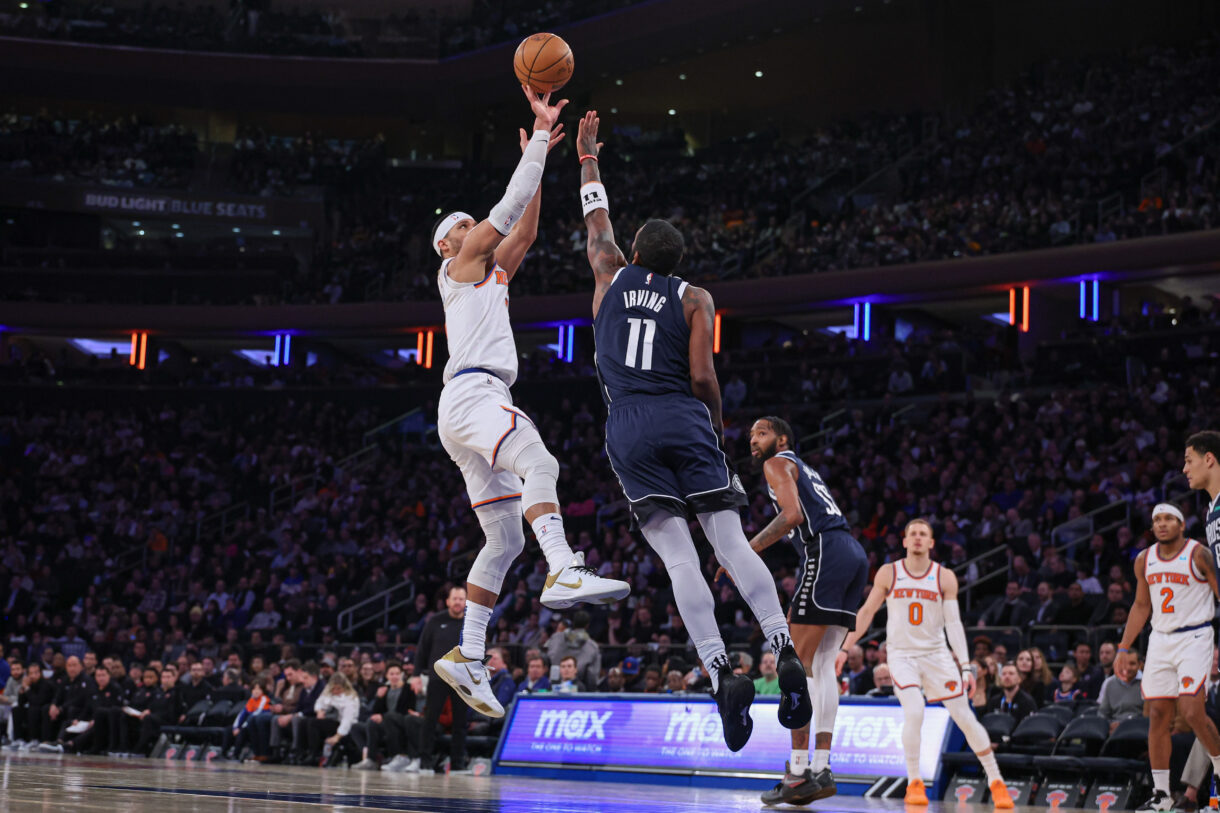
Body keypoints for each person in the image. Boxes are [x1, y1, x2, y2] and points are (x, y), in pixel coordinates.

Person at [577, 110, 810, 755]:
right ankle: (783, 648)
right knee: (730, 544)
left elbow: (597, 223)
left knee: (680, 559)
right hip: (683, 415)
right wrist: (714, 425)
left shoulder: (608, 273)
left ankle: (718, 671)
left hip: (627, 424)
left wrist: (589, 157)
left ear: (634, 253)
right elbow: (705, 376)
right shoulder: (694, 297)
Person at [431, 88, 631, 720]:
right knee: (539, 462)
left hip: (467, 404)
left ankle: (468, 653)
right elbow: (506, 209)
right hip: (474, 393)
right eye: (462, 226)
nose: (472, 228)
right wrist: (542, 136)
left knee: (502, 538)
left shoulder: (489, 272)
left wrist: (535, 166)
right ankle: (564, 566)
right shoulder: (460, 265)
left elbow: (526, 227)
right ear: (447, 247)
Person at [736, 416, 867, 805]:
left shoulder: (777, 463)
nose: (753, 440)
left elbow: (792, 515)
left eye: (761, 433)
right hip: (852, 553)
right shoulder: (804, 468)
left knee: (795, 665)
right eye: (750, 435)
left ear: (782, 439)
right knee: (822, 667)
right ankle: (821, 768)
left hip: (824, 549)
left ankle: (797, 772)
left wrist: (747, 549)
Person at [839, 519, 1014, 808]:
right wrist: (844, 648)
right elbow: (867, 611)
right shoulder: (889, 572)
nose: (918, 538)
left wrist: (965, 665)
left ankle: (997, 782)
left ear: (931, 543)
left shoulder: (944, 577)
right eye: (913, 534)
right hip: (902, 655)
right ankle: (914, 782)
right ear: (905, 541)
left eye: (923, 534)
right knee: (915, 711)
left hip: (936, 655)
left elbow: (953, 623)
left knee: (965, 717)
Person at [1118, 503, 1220, 812]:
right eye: (1157, 520)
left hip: (1195, 635)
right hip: (1160, 638)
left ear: (1181, 524)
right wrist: (1123, 648)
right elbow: (1141, 606)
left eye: (1169, 519)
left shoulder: (1199, 554)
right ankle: (1161, 795)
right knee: (1158, 715)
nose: (1162, 524)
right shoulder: (1144, 559)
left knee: (1191, 711)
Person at [418, 587, 471, 770]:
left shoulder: (471, 622)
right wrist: (416, 675)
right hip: (438, 677)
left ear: (466, 602)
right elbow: (422, 649)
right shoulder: (435, 621)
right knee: (430, 720)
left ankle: (457, 764)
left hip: (463, 679)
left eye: (461, 599)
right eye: (454, 599)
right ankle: (424, 762)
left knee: (460, 722)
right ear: (448, 601)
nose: (458, 602)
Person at [307, 672, 360, 766]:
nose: (335, 691)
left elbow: (347, 720)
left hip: (348, 727)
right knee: (310, 722)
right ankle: (312, 754)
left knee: (316, 724)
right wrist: (319, 711)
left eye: (338, 688)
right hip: (334, 721)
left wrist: (337, 736)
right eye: (333, 688)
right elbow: (319, 702)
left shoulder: (351, 698)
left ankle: (319, 755)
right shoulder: (328, 691)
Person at [1097, 650, 1143, 729]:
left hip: (1140, 729)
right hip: (1116, 731)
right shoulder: (1110, 684)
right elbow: (1102, 714)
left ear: (1139, 665)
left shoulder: (1147, 684)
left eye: (1132, 663)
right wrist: (1109, 725)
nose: (1127, 668)